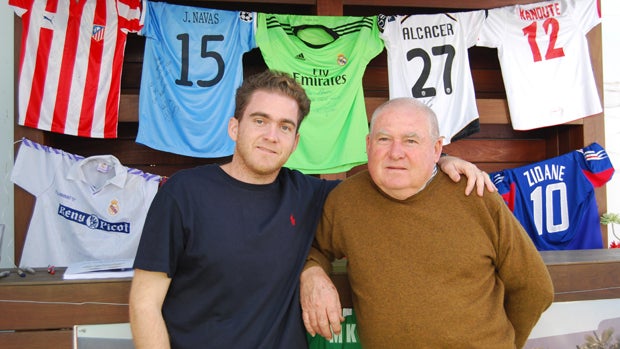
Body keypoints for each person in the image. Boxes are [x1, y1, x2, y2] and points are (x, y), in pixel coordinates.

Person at [128, 70, 495, 349]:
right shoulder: (184, 193)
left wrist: (441, 160)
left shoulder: (309, 194)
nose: (272, 135)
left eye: (285, 126)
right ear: (234, 127)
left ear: (296, 140)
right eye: (260, 121)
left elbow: (390, 175)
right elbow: (144, 303)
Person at [300, 97, 554, 348]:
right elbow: (314, 248)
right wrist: (311, 273)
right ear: (368, 145)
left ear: (436, 150)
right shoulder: (346, 201)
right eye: (384, 139)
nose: (396, 153)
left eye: (411, 141)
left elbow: (535, 288)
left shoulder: (476, 195)